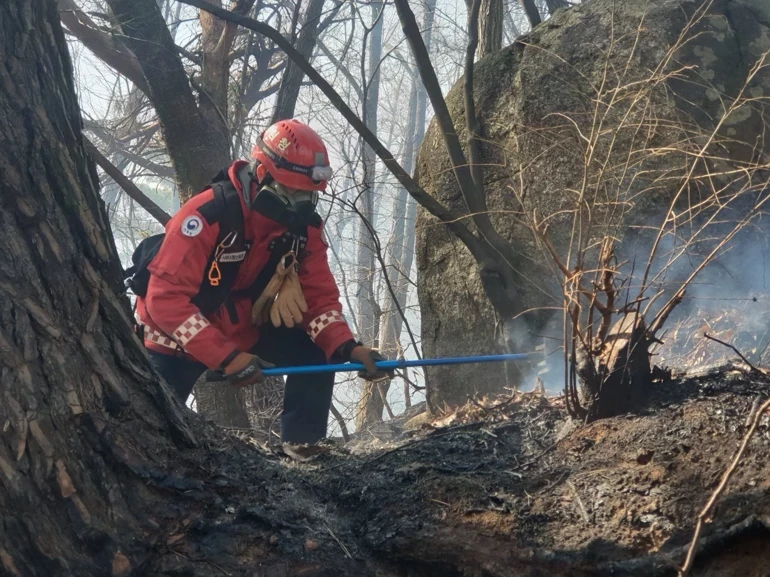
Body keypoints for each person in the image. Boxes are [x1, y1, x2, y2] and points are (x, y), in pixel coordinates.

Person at [132, 119, 390, 459]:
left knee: (315, 353)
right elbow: (165, 301)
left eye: (307, 196)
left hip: (245, 327)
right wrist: (226, 358)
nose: (299, 205)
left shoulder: (303, 230)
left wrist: (347, 348)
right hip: (175, 337)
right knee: (153, 428)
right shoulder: (207, 215)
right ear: (262, 175)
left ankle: (303, 448)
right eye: (292, 193)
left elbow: (319, 300)